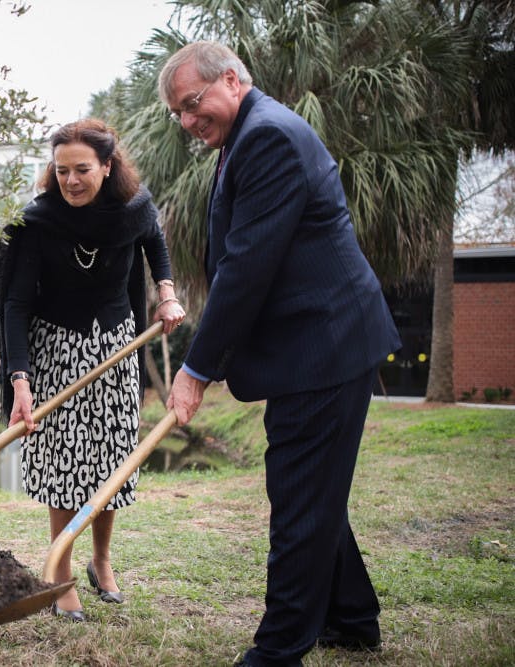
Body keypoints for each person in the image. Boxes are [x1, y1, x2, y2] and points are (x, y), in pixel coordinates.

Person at [158, 42, 402, 665]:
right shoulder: (251, 132)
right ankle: (351, 618)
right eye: (177, 114)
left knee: (298, 497)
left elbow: (246, 270)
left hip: (323, 346)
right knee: (309, 490)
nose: (187, 121)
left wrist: (195, 371)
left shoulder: (266, 136)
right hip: (317, 345)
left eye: (192, 104)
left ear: (233, 81)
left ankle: (277, 650)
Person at [1, 118, 186, 621]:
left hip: (116, 347)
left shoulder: (133, 209)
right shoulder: (37, 222)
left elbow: (154, 242)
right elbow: (15, 305)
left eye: (82, 169)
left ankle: (101, 560)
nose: (71, 180)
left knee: (109, 459)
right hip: (53, 349)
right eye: (62, 171)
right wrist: (20, 380)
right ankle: (59, 573)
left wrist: (166, 294)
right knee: (64, 463)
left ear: (107, 166)